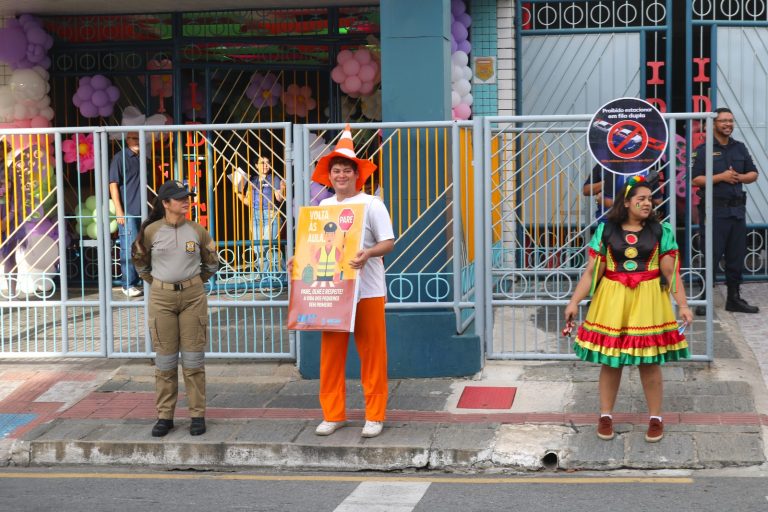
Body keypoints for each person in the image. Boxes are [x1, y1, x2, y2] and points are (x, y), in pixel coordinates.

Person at [564, 175, 692, 443]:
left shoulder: (661, 231)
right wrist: (574, 302)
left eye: (649, 199)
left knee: (649, 361)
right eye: (641, 199)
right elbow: (592, 273)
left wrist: (683, 305)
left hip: (649, 302)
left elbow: (670, 273)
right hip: (612, 302)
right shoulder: (606, 230)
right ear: (627, 202)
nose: (647, 203)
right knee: (612, 360)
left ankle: (656, 418)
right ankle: (606, 415)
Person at [288, 124, 395, 438]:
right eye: (336, 170)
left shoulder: (373, 204)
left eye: (347, 170)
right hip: (333, 292)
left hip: (370, 291)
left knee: (373, 354)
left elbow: (389, 242)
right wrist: (300, 260)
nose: (341, 175)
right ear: (329, 175)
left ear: (356, 174)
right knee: (331, 355)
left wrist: (368, 253)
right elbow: (316, 247)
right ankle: (333, 414)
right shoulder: (322, 207)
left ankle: (374, 415)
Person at [132, 180, 219, 437]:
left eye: (187, 197)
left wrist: (192, 283)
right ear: (165, 203)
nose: (186, 201)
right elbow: (140, 262)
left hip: (193, 298)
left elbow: (211, 263)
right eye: (180, 198)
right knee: (165, 362)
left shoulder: (197, 230)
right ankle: (164, 416)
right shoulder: (151, 231)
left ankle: (197, 415)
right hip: (161, 300)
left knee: (193, 361)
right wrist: (159, 284)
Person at [691, 107, 759, 314]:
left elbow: (753, 173)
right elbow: (696, 179)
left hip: (737, 211)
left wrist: (738, 177)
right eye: (723, 121)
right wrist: (721, 177)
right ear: (713, 124)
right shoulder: (703, 150)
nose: (728, 124)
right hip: (715, 212)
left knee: (736, 255)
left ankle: (734, 298)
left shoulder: (739, 148)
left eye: (731, 121)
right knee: (711, 253)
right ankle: (704, 299)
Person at [109, 131, 145, 297]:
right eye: (134, 138)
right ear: (127, 140)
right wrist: (119, 211)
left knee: (141, 247)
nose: (137, 141)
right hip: (129, 211)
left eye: (139, 138)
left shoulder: (143, 158)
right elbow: (113, 184)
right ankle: (128, 284)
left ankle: (139, 281)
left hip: (143, 211)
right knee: (128, 247)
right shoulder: (120, 158)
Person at [235, 156, 285, 274]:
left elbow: (279, 198)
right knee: (259, 249)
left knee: (267, 246)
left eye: (268, 162)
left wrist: (282, 189)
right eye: (262, 163)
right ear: (256, 165)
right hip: (256, 216)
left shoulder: (274, 179)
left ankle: (268, 278)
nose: (265, 165)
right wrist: (237, 192)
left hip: (271, 216)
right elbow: (248, 202)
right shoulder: (252, 180)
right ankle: (277, 276)